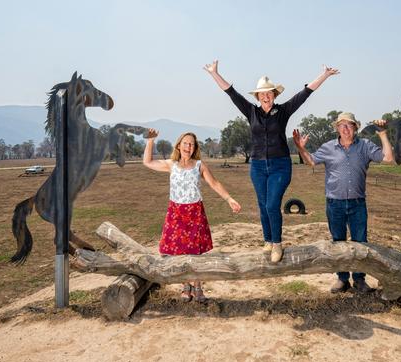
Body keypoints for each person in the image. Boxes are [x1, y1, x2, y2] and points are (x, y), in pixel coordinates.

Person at [204, 60, 339, 263]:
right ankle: (267, 239)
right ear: (257, 97)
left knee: (272, 204)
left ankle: (277, 243)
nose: (266, 96)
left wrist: (324, 75)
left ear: (274, 95)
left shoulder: (283, 111)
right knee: (262, 204)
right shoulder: (251, 112)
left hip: (280, 166)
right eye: (262, 94)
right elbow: (231, 93)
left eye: (269, 93)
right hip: (258, 166)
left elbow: (305, 94)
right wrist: (215, 73)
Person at [293, 112, 394, 293]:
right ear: (337, 128)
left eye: (349, 125)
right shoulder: (328, 147)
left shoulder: (365, 146)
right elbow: (311, 161)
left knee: (360, 243)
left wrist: (382, 134)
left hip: (357, 203)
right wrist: (301, 148)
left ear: (356, 128)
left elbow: (387, 158)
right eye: (342, 125)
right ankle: (342, 279)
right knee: (338, 242)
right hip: (335, 204)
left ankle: (359, 280)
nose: (346, 128)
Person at [143, 128, 241, 302]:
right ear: (179, 145)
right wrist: (150, 141)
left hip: (194, 212)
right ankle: (186, 286)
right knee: (180, 253)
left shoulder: (199, 165)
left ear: (194, 148)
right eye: (185, 143)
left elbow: (215, 183)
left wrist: (229, 199)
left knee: (195, 253)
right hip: (176, 213)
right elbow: (148, 162)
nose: (188, 146)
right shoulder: (170, 164)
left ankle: (198, 287)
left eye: (192, 144)